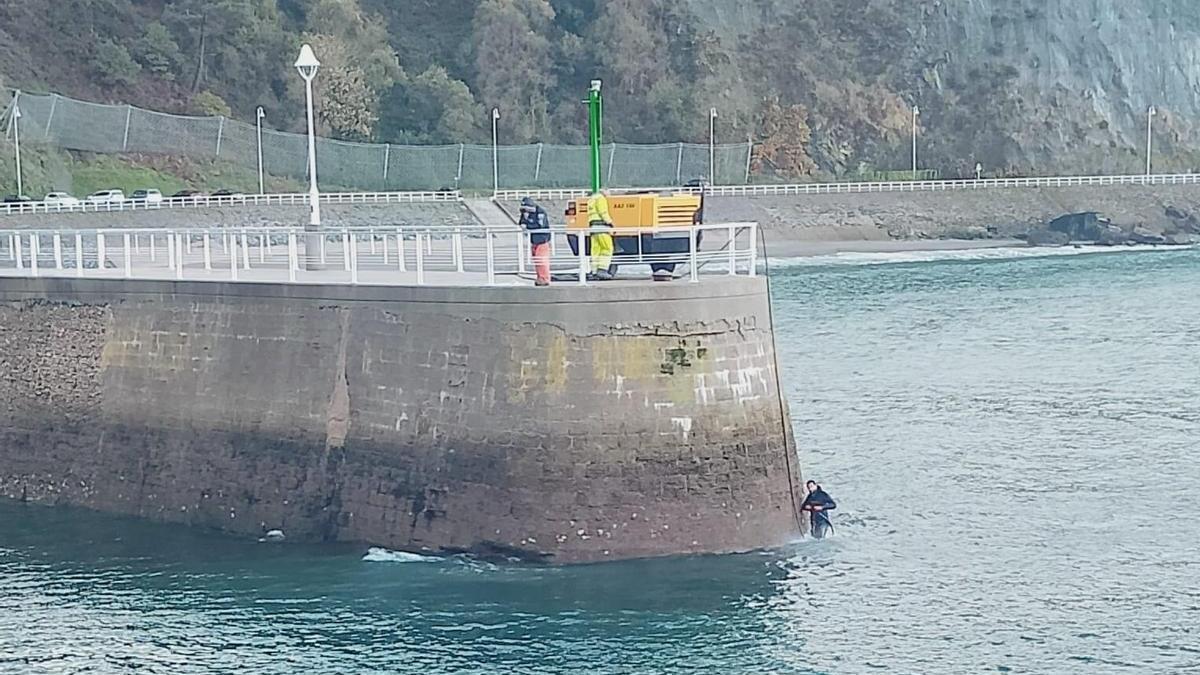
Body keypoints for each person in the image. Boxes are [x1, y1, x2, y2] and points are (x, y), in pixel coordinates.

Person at [519, 197, 551, 286]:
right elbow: (521, 222)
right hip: (533, 240)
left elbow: (540, 225)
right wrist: (524, 220)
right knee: (537, 260)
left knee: (542, 260)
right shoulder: (525, 213)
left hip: (542, 239)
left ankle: (544, 278)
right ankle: (539, 277)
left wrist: (528, 224)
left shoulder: (540, 212)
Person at [586, 190, 615, 281]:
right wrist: (610, 223)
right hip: (602, 226)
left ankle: (594, 271)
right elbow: (603, 212)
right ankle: (602, 270)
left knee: (595, 250)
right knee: (607, 248)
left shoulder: (591, 199)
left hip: (593, 227)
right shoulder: (601, 198)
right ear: (605, 192)